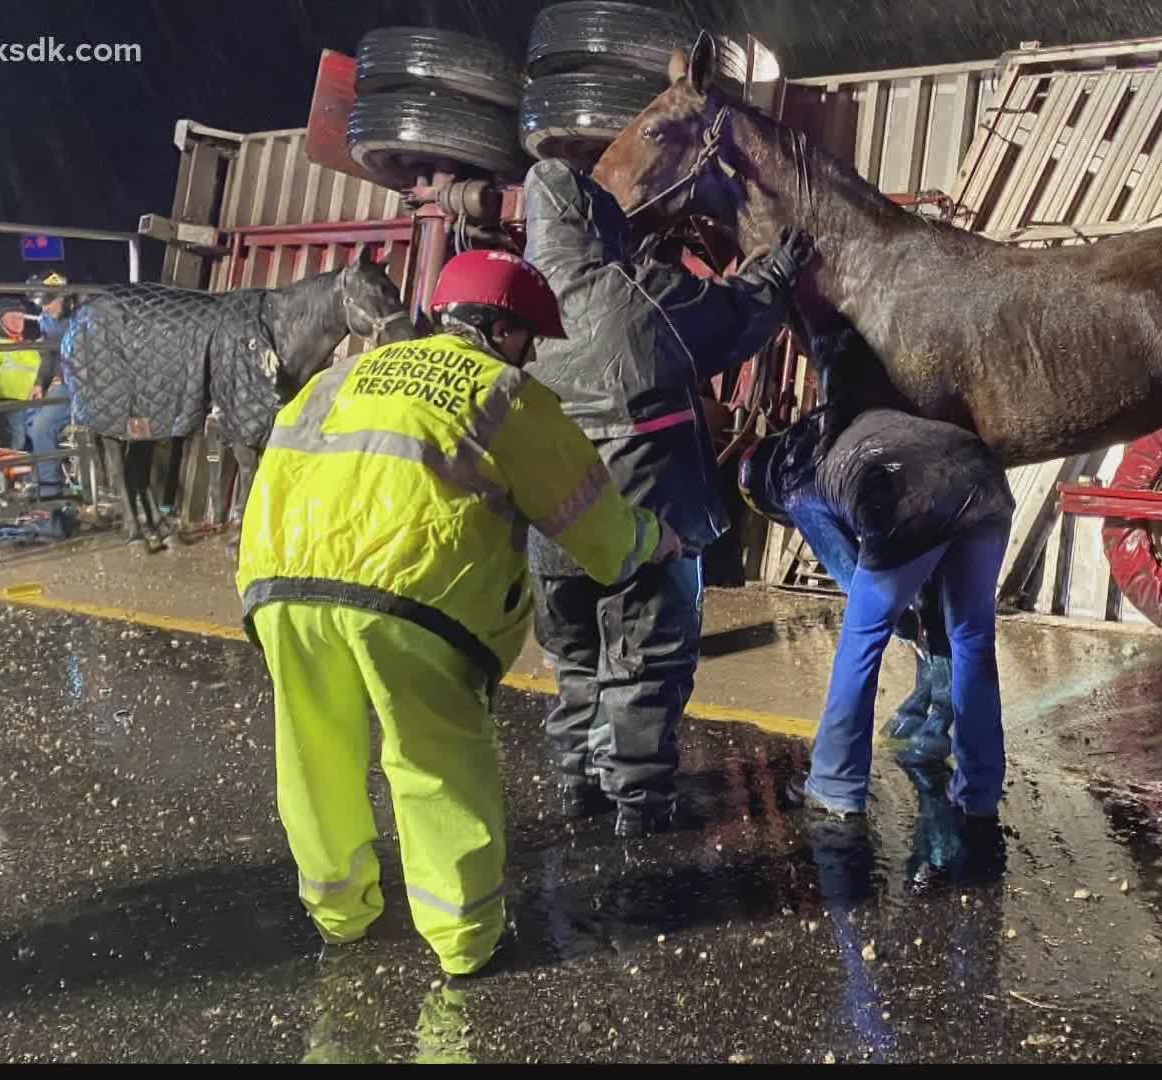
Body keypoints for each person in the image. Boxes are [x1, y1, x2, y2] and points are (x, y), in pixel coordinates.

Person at [235, 249, 684, 977]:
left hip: (281, 586)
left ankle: (340, 917)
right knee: (434, 761)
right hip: (410, 597)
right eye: (529, 338)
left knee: (314, 755)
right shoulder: (502, 392)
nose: (531, 354)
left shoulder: (339, 376)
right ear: (503, 332)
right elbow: (594, 530)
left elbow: (272, 473)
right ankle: (464, 940)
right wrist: (651, 538)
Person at [521, 157, 813, 835]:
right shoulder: (634, 292)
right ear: (596, 220)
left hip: (552, 533)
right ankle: (640, 805)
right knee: (644, 665)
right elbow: (732, 320)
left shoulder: (518, 303)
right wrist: (775, 272)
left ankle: (578, 784)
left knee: (575, 662)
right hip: (647, 518)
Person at [738, 387, 1016, 821]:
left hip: (913, 494)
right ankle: (978, 791)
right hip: (984, 477)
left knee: (862, 638)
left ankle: (834, 783)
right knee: (973, 639)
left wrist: (906, 624)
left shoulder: (795, 488)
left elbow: (853, 576)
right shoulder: (832, 425)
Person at [26, 273, 76, 499]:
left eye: (47, 302)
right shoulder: (45, 320)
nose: (44, 308)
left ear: (62, 296)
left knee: (41, 427)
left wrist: (65, 375)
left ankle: (50, 495)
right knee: (29, 415)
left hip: (84, 387)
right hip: (64, 382)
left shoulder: (84, 316)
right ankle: (42, 477)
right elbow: (49, 354)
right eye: (40, 304)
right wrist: (40, 383)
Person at [0, 298, 44, 451]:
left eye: (21, 318)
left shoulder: (23, 342)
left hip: (28, 404)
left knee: (35, 440)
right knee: (12, 446)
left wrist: (37, 384)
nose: (18, 322)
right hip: (3, 405)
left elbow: (34, 365)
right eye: (13, 318)